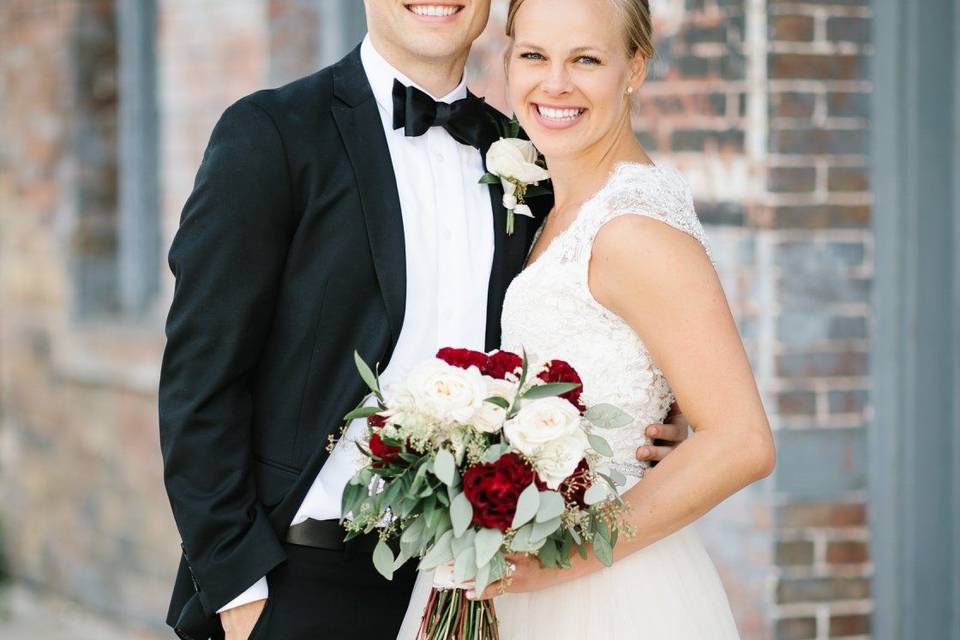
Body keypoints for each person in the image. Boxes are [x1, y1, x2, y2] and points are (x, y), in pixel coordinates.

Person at [158, 2, 688, 639]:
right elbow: (200, 378)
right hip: (302, 577)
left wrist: (658, 413)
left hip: (478, 583)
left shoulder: (529, 154)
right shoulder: (273, 133)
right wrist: (239, 587)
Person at [398, 0, 776, 637]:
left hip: (603, 592)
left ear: (635, 68)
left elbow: (742, 442)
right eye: (535, 56)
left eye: (587, 60)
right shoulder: (554, 197)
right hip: (515, 565)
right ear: (509, 56)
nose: (555, 84)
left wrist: (554, 563)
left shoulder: (631, 229)